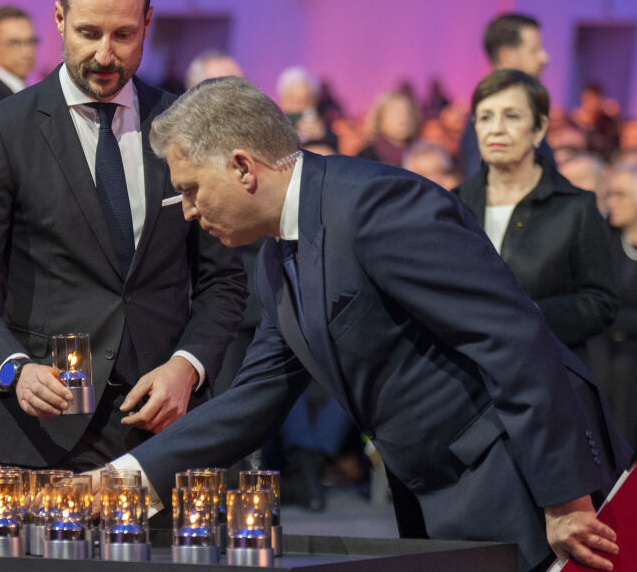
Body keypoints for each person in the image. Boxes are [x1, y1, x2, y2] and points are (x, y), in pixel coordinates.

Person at [115, 76, 631, 572]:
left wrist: (565, 496)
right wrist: (123, 483)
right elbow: (253, 401)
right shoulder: (275, 260)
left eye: (190, 189)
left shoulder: (375, 206)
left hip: (522, 482)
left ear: (243, 168)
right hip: (439, 493)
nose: (187, 210)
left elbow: (511, 336)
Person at [0, 0, 247, 471]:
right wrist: (13, 369)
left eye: (123, 35)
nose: (105, 55)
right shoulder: (1, 131)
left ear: (148, 23)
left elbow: (224, 280)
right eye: (88, 33)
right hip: (45, 427)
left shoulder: (185, 123)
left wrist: (187, 366)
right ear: (59, 19)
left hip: (165, 422)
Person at [455, 70, 617, 360]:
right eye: (485, 117)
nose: (496, 128)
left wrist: (531, 316)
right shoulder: (453, 204)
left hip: (544, 374)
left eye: (512, 116)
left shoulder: (575, 207)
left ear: (539, 128)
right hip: (466, 376)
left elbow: (600, 303)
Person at [459, 13, 552, 178]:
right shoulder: (485, 118)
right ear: (506, 56)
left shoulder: (528, 107)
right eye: (535, 50)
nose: (544, 58)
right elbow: (481, 187)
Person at [589, 163, 637, 449]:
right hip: (606, 359)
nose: (610, 203)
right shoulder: (603, 240)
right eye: (608, 194)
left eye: (620, 195)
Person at [356, 91, 419, 166]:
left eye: (408, 112)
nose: (404, 117)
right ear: (380, 118)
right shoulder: (367, 157)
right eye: (395, 112)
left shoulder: (424, 153)